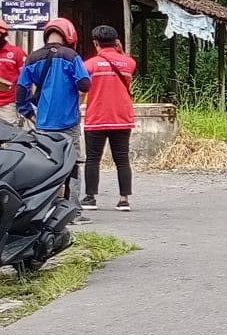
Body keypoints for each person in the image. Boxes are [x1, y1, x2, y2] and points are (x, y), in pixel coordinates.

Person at [15, 17, 92, 225]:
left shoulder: (33, 57)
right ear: (69, 35)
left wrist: (27, 112)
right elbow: (85, 84)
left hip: (43, 124)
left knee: (46, 167)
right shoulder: (72, 56)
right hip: (69, 123)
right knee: (73, 165)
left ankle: (44, 210)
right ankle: (73, 212)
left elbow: (21, 89)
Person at [80, 25, 136, 212]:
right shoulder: (129, 63)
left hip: (97, 118)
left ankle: (90, 198)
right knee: (122, 159)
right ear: (116, 42)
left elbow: (81, 89)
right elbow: (127, 63)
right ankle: (124, 200)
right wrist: (120, 51)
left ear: (96, 43)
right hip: (122, 118)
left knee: (93, 159)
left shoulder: (90, 65)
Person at [0, 19, 27, 128]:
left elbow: (26, 79)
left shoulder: (17, 53)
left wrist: (24, 103)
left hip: (8, 105)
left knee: (8, 134)